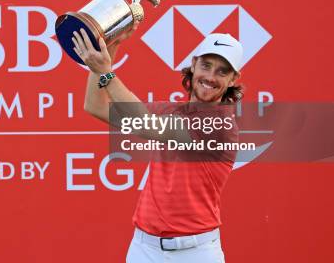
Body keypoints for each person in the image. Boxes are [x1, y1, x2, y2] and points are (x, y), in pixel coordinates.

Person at [71, 25, 243, 263]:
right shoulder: (169, 111)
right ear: (193, 65)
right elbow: (95, 106)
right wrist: (111, 47)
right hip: (145, 249)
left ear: (233, 79)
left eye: (222, 72)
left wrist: (106, 72)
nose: (210, 77)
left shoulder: (220, 124)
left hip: (197, 253)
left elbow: (146, 124)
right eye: (206, 65)